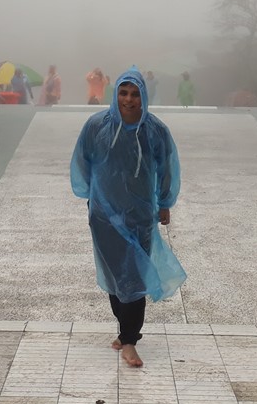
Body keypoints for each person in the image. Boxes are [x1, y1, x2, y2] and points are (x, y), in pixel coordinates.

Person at [70, 67, 185, 368]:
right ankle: (124, 330)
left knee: (134, 276)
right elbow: (83, 160)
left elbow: (167, 168)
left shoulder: (155, 131)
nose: (129, 100)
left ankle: (131, 340)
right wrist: (90, 194)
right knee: (113, 277)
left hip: (140, 215)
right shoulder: (97, 126)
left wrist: (164, 202)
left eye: (135, 94)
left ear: (143, 96)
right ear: (115, 94)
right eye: (123, 93)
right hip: (105, 214)